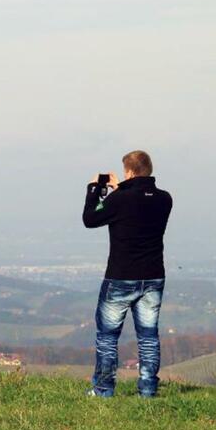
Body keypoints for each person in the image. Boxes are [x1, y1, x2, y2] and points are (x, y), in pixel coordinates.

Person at [82, 150, 172, 397]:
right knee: (148, 336)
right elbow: (140, 201)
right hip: (153, 277)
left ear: (129, 171)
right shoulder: (165, 199)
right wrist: (121, 188)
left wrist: (94, 188)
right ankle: (148, 390)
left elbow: (90, 219)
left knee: (108, 337)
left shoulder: (120, 199)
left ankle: (103, 389)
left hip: (121, 277)